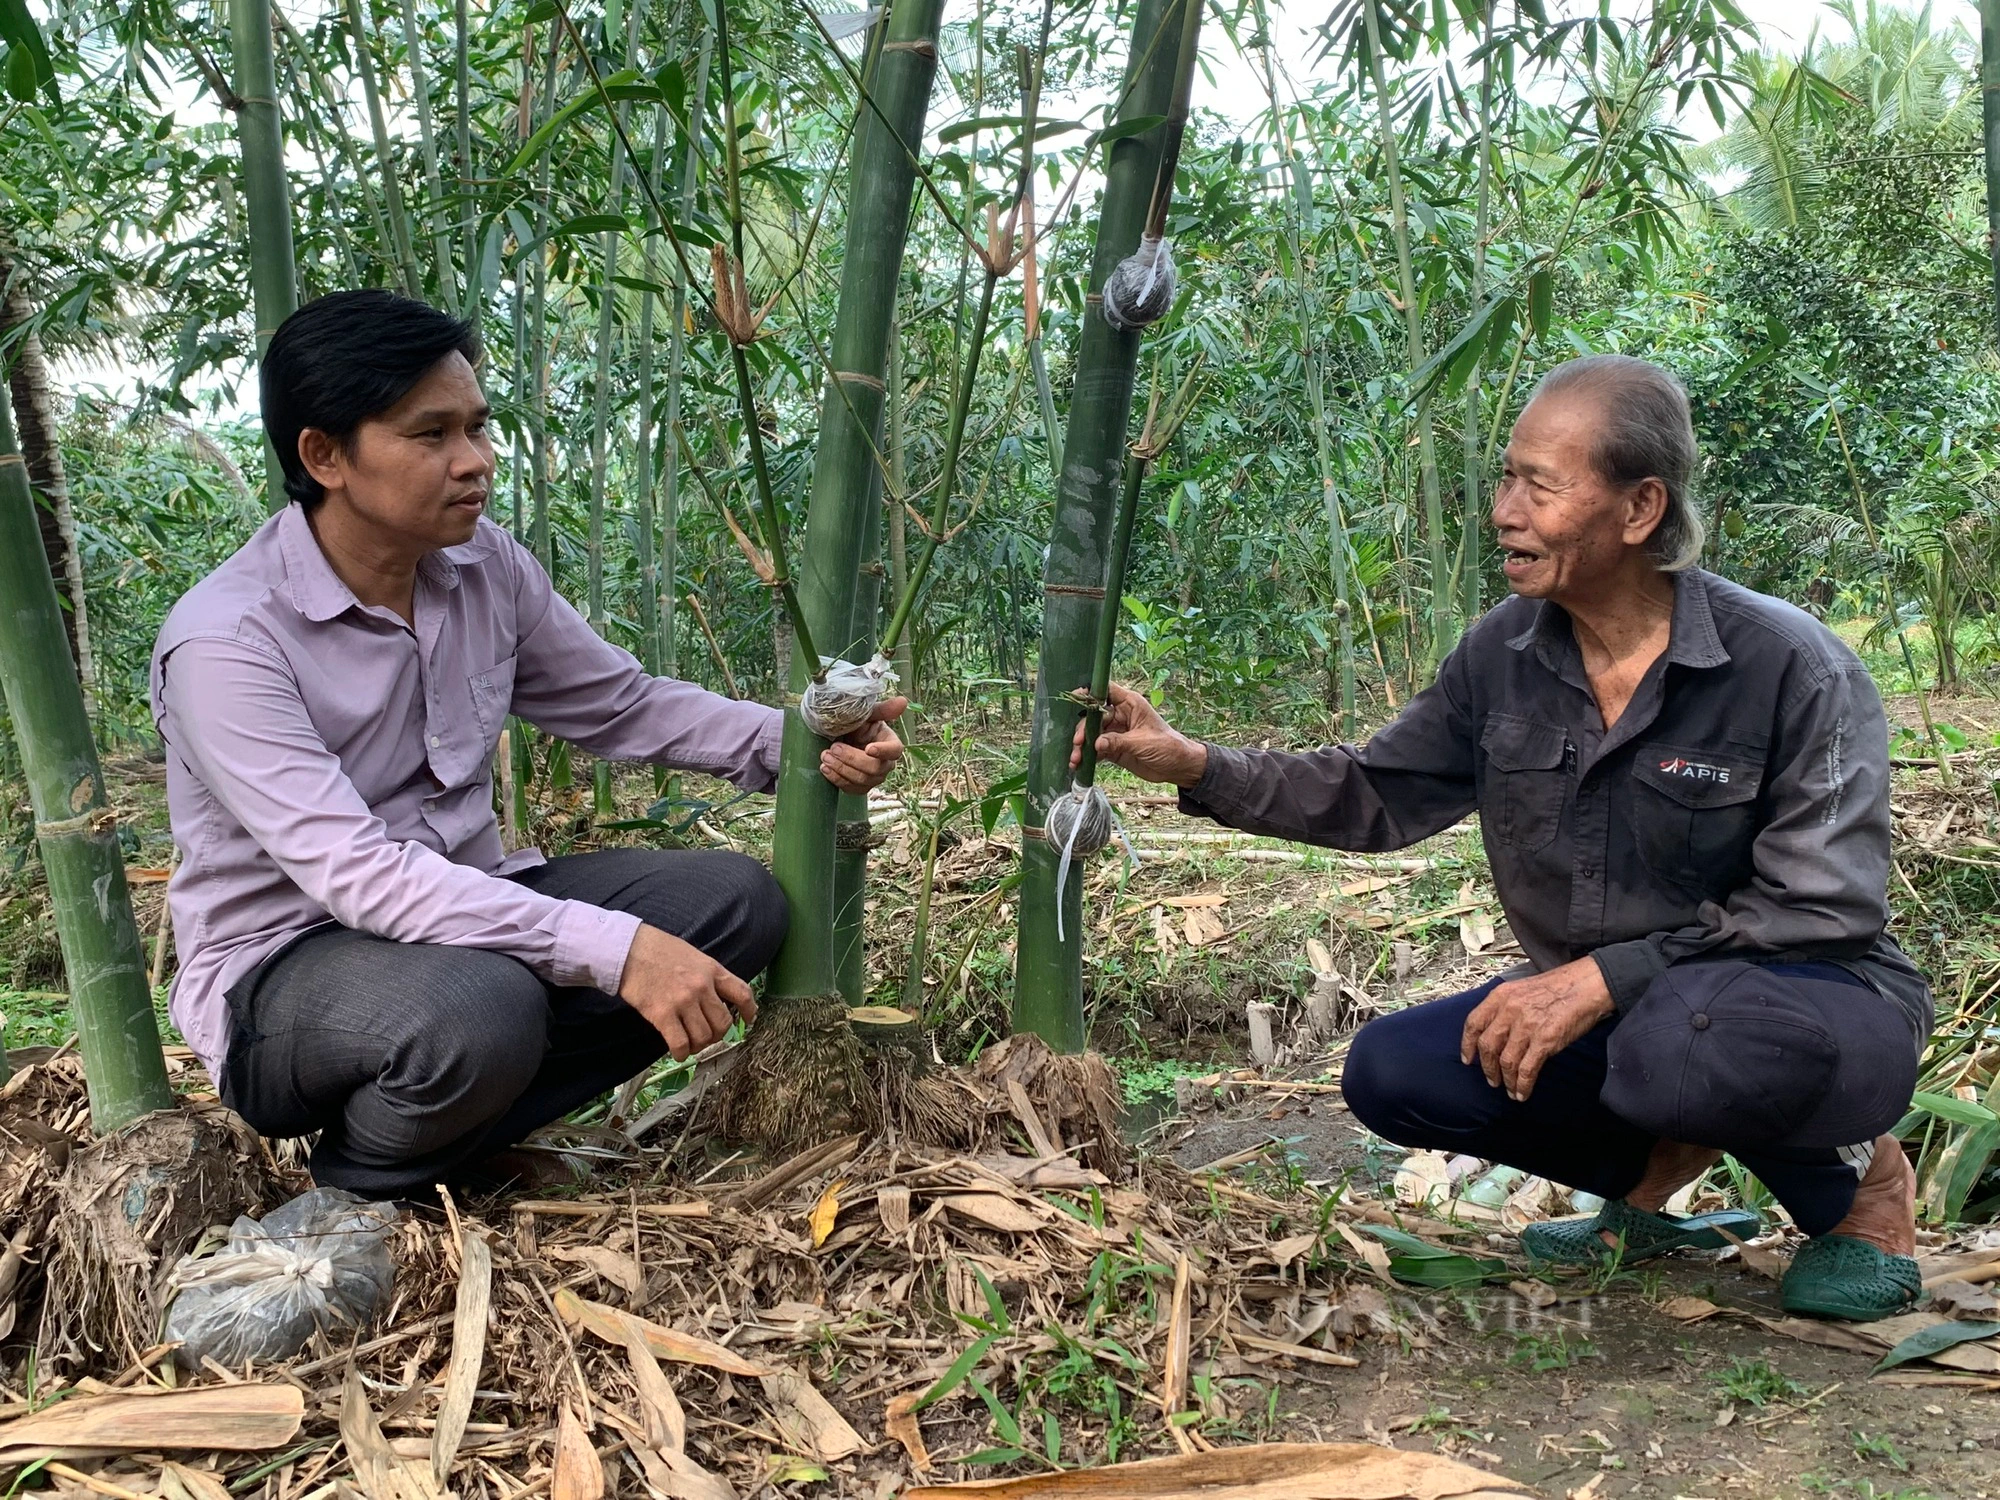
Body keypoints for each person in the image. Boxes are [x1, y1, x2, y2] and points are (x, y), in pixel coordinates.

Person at [1079, 354, 1929, 1322]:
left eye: (1538, 484)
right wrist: (1191, 763)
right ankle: (1650, 1179)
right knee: (1394, 1071)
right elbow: (1375, 791)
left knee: (1681, 1037)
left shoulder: (1787, 666)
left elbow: (1818, 910)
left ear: (1638, 508)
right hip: (1626, 1018)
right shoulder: (1502, 655)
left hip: (1806, 995)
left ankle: (1862, 1197)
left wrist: (1604, 978)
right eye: (1504, 477)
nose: (1502, 510)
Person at [151, 290, 905, 1198]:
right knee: (483, 1008)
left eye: (478, 427)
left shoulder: (485, 568)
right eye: (431, 436)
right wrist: (617, 950)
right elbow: (356, 875)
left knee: (736, 902)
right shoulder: (228, 644)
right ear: (324, 455)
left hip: (471, 910)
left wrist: (803, 741)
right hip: (288, 968)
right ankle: (361, 1182)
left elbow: (620, 704)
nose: (476, 463)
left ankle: (454, 1125)